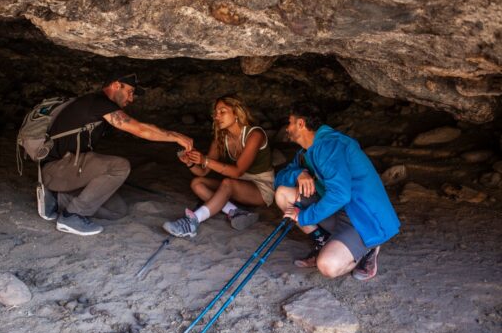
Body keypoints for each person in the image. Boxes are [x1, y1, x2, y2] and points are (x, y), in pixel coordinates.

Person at [38, 73, 193, 236]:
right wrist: (175, 136)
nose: (131, 99)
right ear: (116, 85)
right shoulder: (97, 102)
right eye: (130, 91)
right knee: (119, 166)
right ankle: (72, 216)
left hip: (68, 172)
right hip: (56, 170)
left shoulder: (100, 107)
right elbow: (140, 129)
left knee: (116, 211)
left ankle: (55, 198)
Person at [275, 102, 400, 281]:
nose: (287, 128)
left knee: (327, 266)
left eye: (290, 122)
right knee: (282, 193)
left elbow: (341, 194)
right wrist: (298, 174)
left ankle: (369, 247)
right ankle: (323, 241)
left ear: (301, 124)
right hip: (336, 209)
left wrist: (303, 217)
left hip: (360, 217)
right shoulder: (306, 151)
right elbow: (279, 178)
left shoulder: (329, 146)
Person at [163, 95, 274, 237]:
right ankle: (235, 212)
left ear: (236, 113)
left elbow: (237, 172)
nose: (217, 116)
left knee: (228, 183)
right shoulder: (220, 138)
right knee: (197, 183)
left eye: (223, 112)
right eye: (215, 113)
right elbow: (203, 172)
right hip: (238, 184)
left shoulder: (255, 134)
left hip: (260, 188)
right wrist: (190, 163)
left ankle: (193, 221)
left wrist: (205, 160)